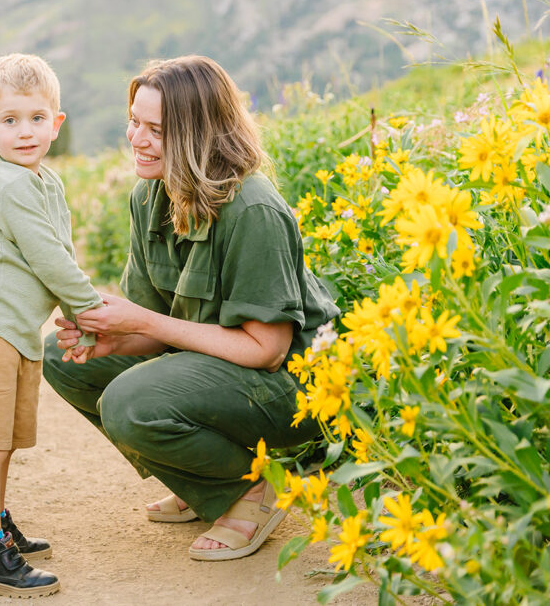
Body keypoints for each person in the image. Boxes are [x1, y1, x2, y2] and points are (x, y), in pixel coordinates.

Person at [44, 55, 339, 561]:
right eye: (134, 121)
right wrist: (113, 336)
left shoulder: (253, 208)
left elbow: (267, 349)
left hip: (297, 388)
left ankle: (250, 489)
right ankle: (202, 478)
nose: (136, 138)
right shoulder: (150, 196)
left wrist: (142, 321)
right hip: (220, 368)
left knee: (129, 402)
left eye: (155, 129)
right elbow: (159, 325)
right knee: (62, 358)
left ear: (199, 135)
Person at [0, 53, 104, 596]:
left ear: (56, 123)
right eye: (9, 121)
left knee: (4, 441)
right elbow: (50, 260)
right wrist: (88, 309)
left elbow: (56, 248)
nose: (25, 131)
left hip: (14, 333)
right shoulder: (10, 185)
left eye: (37, 118)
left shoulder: (42, 182)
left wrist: (66, 308)